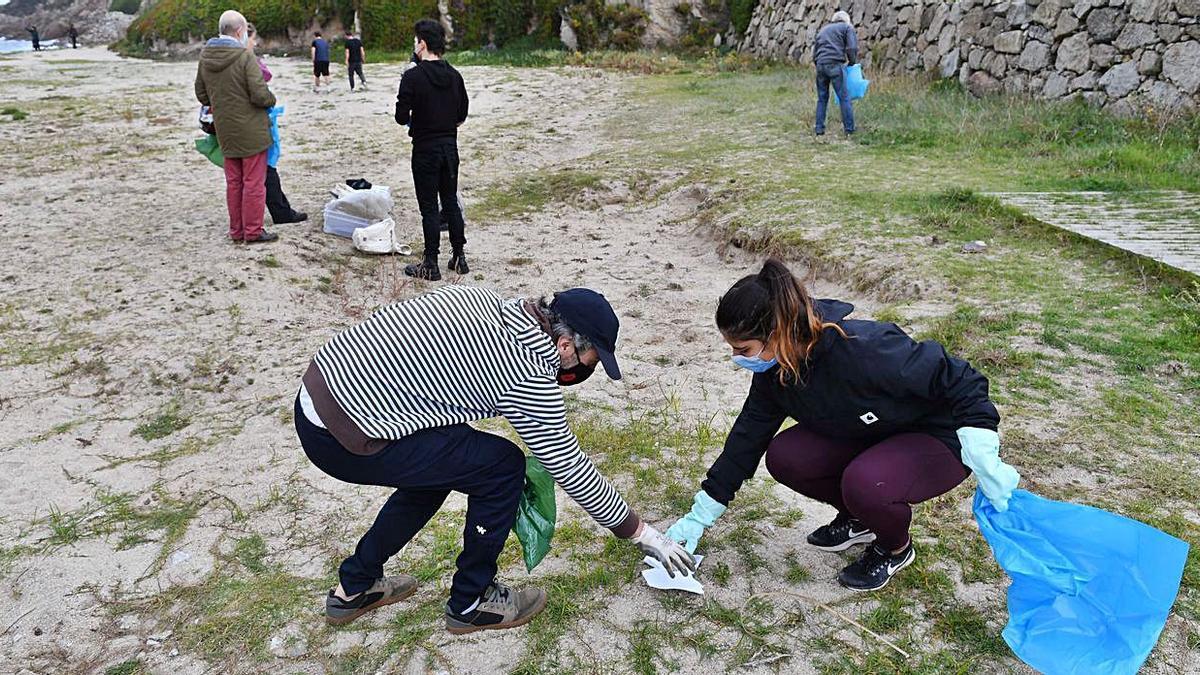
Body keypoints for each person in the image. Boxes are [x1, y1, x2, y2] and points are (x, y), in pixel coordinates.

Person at [294, 284, 695, 632]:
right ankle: (472, 602)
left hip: (319, 394)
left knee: (446, 463)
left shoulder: (492, 303)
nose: (578, 375)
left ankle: (355, 586)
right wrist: (643, 533)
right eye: (587, 363)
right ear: (566, 345)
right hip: (343, 433)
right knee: (501, 466)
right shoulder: (527, 370)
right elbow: (569, 466)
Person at [666, 259, 1017, 592]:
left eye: (744, 348)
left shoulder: (864, 351)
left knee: (866, 482)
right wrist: (700, 515)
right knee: (786, 456)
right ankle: (860, 519)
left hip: (938, 436)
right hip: (875, 433)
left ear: (777, 334)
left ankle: (895, 548)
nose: (737, 358)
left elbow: (958, 376)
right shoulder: (777, 374)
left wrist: (981, 439)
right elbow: (746, 439)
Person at [194, 10, 278, 244]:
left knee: (234, 182)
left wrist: (223, 102)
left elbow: (202, 94)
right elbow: (260, 95)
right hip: (251, 129)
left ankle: (237, 231)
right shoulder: (244, 57)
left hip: (225, 128)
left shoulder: (206, 57)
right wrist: (272, 100)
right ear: (240, 31)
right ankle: (252, 231)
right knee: (253, 181)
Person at [394, 19, 469, 281]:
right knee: (450, 203)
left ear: (422, 44)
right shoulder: (454, 75)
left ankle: (430, 262)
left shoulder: (412, 76)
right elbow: (462, 115)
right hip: (450, 147)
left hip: (425, 148)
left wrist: (420, 117)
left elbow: (401, 116)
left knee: (428, 207)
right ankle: (459, 257)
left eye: (416, 41)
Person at [245, 24, 307, 225]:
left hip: (233, 124)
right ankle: (280, 213)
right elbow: (263, 88)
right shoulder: (246, 61)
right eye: (253, 39)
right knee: (265, 170)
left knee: (248, 174)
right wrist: (270, 99)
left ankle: (248, 220)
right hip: (252, 122)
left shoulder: (223, 60)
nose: (255, 43)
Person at [812, 10, 858, 136]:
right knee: (844, 97)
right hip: (835, 64)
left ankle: (819, 129)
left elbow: (815, 52)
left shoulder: (823, 30)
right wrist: (852, 62)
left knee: (822, 99)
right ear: (846, 20)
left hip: (821, 64)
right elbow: (852, 48)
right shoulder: (847, 28)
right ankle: (849, 129)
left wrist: (819, 65)